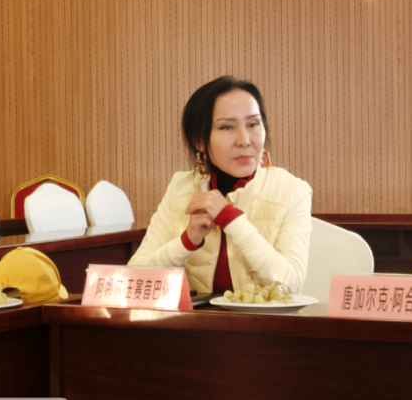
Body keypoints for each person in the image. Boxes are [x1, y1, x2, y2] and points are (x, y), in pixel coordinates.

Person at [128, 76, 313, 294]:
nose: (244, 140)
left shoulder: (292, 190)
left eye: (253, 124)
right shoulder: (180, 189)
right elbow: (134, 277)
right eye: (226, 127)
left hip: (262, 317)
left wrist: (231, 219)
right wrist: (186, 242)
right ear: (199, 141)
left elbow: (292, 284)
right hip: (195, 316)